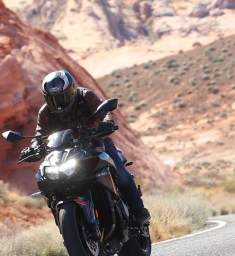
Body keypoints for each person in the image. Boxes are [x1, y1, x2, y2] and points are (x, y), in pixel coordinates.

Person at [20, 69, 150, 226]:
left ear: (73, 91)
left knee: (121, 173)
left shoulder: (85, 97)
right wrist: (33, 148)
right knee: (50, 182)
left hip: (98, 144)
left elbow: (105, 112)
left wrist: (106, 123)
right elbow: (41, 134)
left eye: (63, 97)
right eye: (54, 100)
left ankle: (138, 210)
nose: (59, 104)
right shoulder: (46, 113)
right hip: (65, 154)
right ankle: (70, 222)